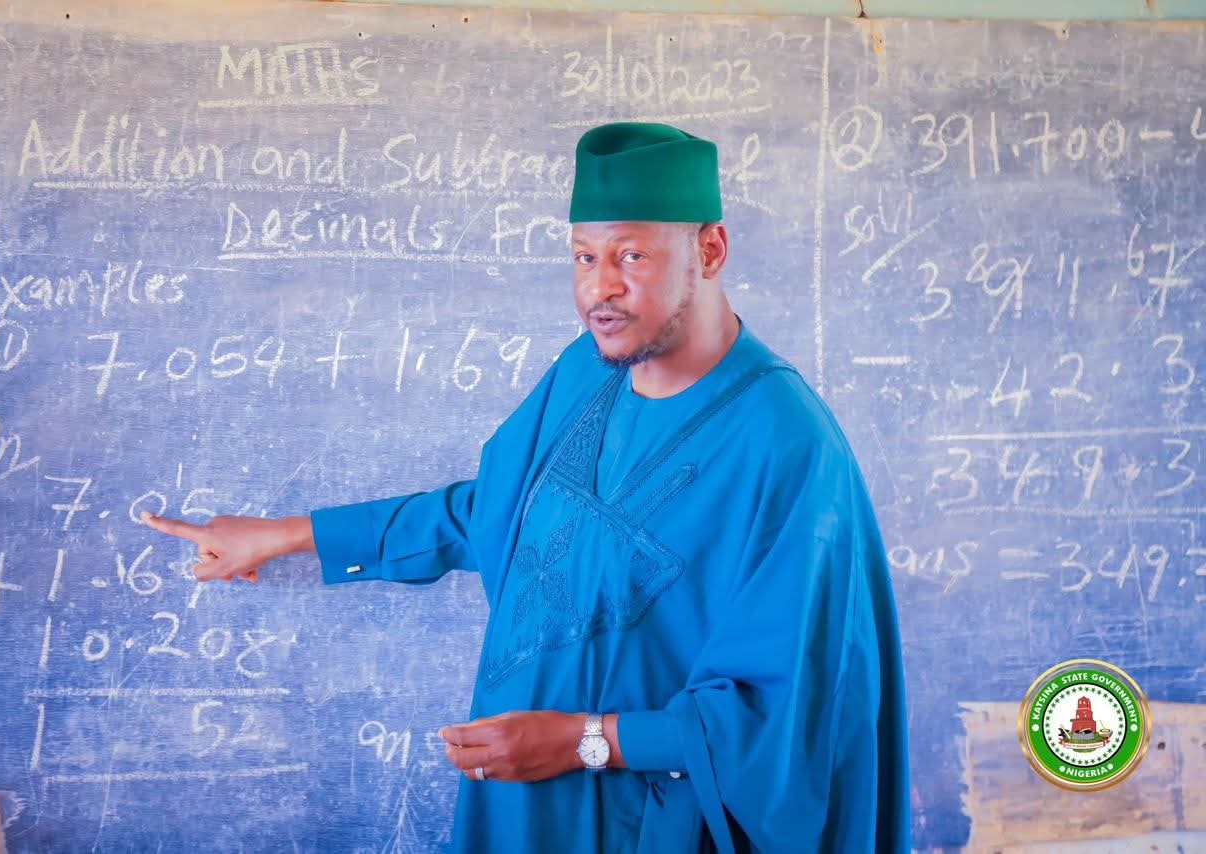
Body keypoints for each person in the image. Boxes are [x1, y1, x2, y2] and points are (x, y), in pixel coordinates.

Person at [143, 122, 910, 853]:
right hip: (520, 799)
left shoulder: (787, 447)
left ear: (709, 250)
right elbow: (506, 512)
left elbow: (791, 714)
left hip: (653, 821)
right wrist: (289, 534)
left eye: (631, 256)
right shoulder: (591, 370)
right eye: (584, 257)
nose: (600, 288)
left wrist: (583, 742)